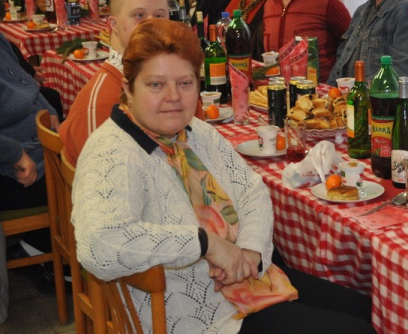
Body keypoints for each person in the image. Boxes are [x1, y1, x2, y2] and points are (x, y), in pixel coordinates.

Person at [72, 18, 375, 334]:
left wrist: (250, 251)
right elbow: (100, 245)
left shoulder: (196, 132)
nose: (173, 96)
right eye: (156, 84)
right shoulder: (113, 150)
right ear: (128, 89)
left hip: (244, 282)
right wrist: (206, 244)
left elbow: (251, 191)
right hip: (193, 311)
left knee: (360, 307)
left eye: (185, 83)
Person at [60, 0, 203, 166]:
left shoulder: (177, 81)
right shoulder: (104, 103)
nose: (151, 24)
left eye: (159, 16)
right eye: (139, 15)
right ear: (113, 24)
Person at [0, 33, 59, 258]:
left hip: (30, 148)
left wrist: (49, 110)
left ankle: (37, 245)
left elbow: (25, 82)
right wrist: (15, 153)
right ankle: (45, 250)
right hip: (10, 169)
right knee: (85, 181)